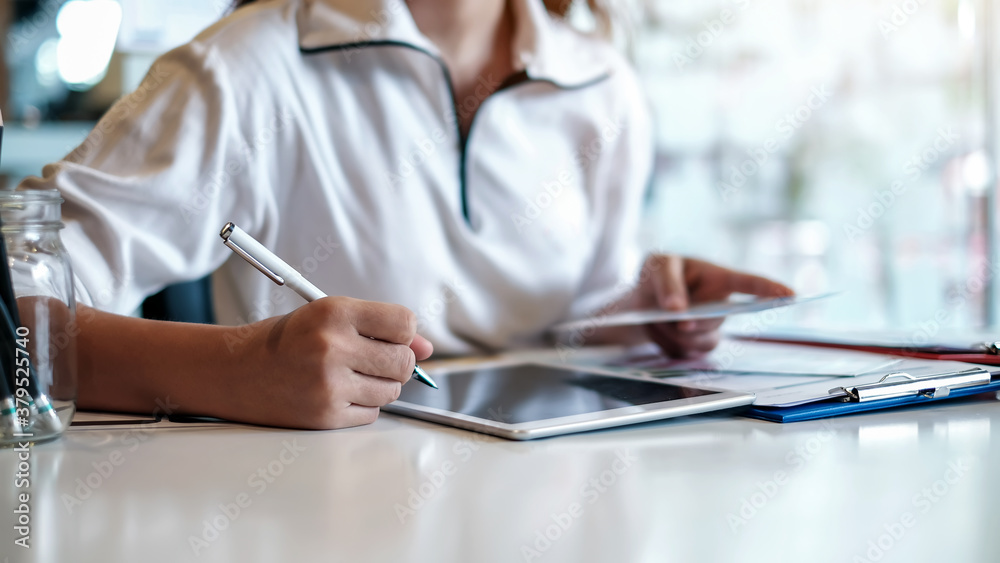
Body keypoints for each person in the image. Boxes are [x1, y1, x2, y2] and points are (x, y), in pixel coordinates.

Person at [19, 0, 792, 429]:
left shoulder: (603, 86)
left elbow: (563, 324)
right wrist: (235, 369)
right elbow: (13, 320)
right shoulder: (249, 66)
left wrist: (639, 305)